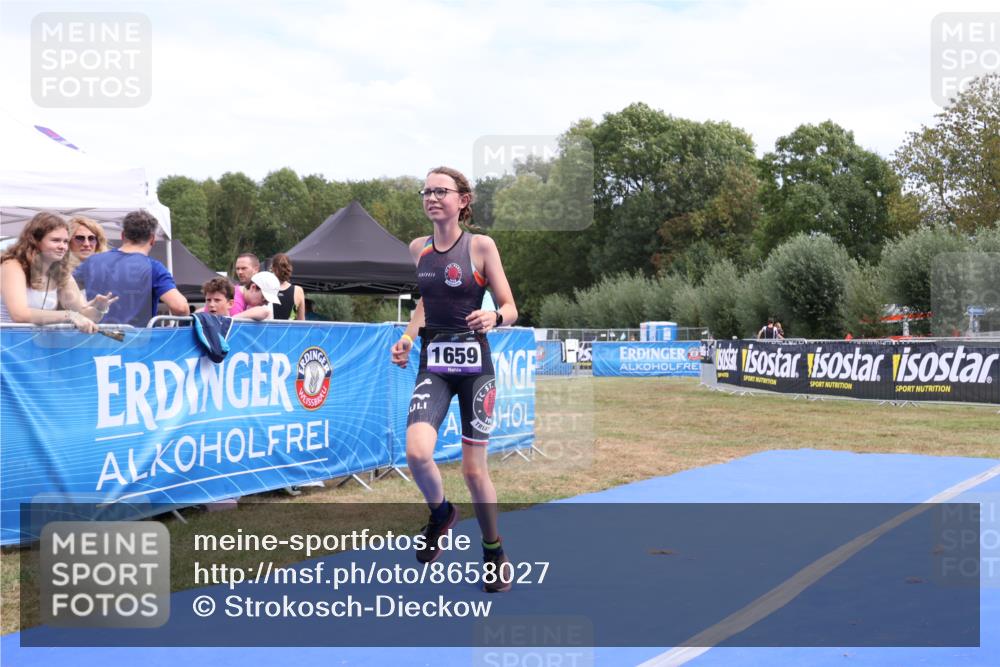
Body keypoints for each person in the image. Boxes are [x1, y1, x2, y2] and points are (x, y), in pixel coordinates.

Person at [390, 166, 518, 593]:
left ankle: (493, 550)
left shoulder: (481, 246)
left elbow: (510, 306)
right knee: (417, 452)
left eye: (440, 191)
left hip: (475, 367)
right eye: (425, 190)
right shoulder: (418, 249)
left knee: (474, 471)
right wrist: (409, 338)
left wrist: (494, 316)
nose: (431, 197)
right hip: (435, 362)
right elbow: (426, 303)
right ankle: (441, 513)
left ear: (462, 200)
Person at [0, 211, 116, 333]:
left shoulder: (60, 271)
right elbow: (19, 315)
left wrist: (100, 308)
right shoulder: (12, 265)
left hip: (33, 345)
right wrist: (69, 315)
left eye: (65, 241)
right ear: (35, 241)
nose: (63, 246)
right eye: (56, 240)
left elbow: (84, 315)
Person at [74, 210, 188, 327]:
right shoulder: (154, 268)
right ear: (152, 239)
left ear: (123, 235)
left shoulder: (92, 262)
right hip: (135, 342)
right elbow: (180, 307)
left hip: (94, 339)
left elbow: (63, 291)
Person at [269, 253, 306, 320]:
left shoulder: (265, 288)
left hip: (268, 329)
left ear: (273, 268)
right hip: (289, 329)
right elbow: (301, 320)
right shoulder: (298, 290)